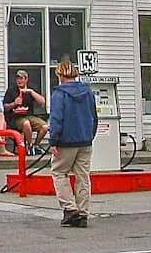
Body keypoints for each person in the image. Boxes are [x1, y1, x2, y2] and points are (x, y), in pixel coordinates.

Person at [48, 60, 98, 228]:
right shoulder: (88, 91)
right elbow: (94, 116)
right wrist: (90, 135)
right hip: (85, 139)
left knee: (59, 173)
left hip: (65, 141)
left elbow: (56, 118)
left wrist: (53, 140)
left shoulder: (59, 94)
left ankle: (70, 209)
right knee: (83, 177)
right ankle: (83, 213)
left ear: (60, 75)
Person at [3, 69, 48, 155]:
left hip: (29, 115)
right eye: (18, 79)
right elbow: (5, 107)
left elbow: (42, 101)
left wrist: (31, 92)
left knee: (45, 127)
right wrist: (14, 104)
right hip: (15, 117)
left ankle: (36, 145)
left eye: (21, 78)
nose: (19, 81)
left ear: (26, 79)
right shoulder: (11, 90)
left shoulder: (31, 89)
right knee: (26, 123)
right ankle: (29, 146)